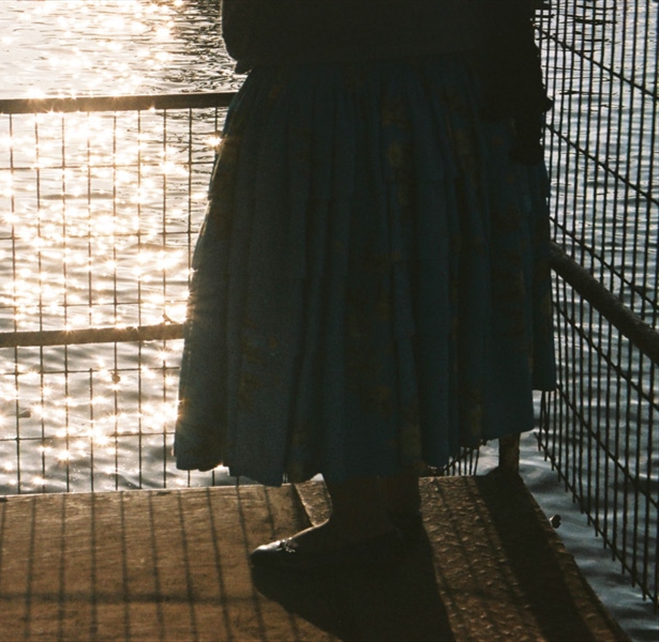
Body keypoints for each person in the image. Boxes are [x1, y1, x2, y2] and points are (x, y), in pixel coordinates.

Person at [173, 0, 556, 570]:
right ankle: (397, 502)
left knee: (329, 299)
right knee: (413, 290)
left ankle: (360, 519)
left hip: (326, 102)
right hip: (446, 101)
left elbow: (250, 32)